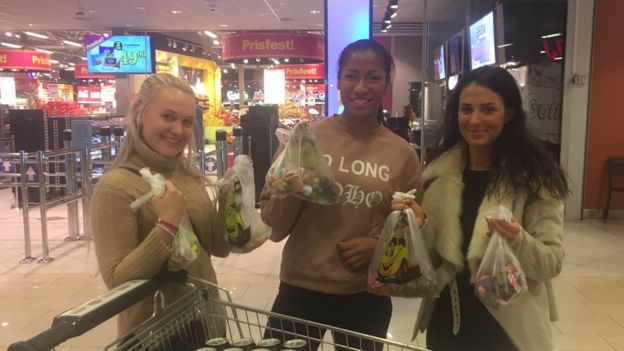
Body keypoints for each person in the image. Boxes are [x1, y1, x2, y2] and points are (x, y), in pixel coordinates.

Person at [259, 39, 422, 351]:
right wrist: (291, 190)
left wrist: (377, 245)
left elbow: (412, 225)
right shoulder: (305, 138)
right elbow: (273, 228)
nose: (361, 87)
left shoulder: (402, 154)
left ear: (387, 83)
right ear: (338, 79)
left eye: (373, 77)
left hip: (366, 294)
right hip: (300, 288)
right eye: (352, 75)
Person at [394, 65, 569, 351]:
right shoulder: (439, 175)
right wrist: (419, 224)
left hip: (507, 328)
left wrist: (517, 238)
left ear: (509, 113)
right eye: (466, 109)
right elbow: (430, 260)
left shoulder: (533, 180)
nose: (475, 120)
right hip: (447, 323)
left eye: (488, 109)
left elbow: (551, 263)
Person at [91, 73, 229, 339]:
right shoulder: (116, 187)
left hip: (207, 324)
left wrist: (227, 202)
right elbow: (117, 282)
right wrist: (166, 226)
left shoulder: (189, 176)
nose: (178, 130)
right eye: (168, 117)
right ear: (141, 113)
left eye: (187, 122)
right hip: (156, 337)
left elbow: (218, 248)